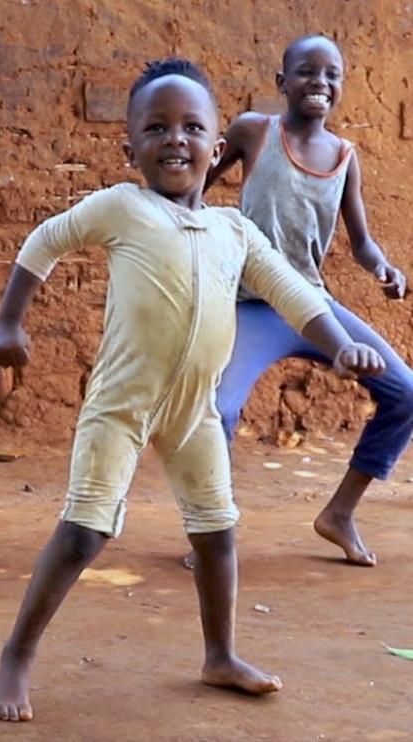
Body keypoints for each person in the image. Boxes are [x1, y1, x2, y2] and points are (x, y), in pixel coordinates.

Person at [0, 59, 385, 722]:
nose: (175, 139)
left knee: (218, 533)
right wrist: (8, 323)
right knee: (85, 533)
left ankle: (219, 655)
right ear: (130, 147)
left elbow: (292, 292)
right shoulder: (122, 206)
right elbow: (45, 241)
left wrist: (341, 346)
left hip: (193, 410)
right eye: (156, 127)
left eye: (192, 127)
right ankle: (16, 657)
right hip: (121, 406)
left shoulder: (235, 230)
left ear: (216, 149)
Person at [184, 33, 413, 568]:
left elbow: (360, 242)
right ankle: (210, 528)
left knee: (405, 392)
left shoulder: (344, 156)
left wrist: (382, 267)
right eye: (308, 72)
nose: (320, 84)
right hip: (251, 305)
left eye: (332, 76)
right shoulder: (253, 131)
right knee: (218, 410)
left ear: (342, 89)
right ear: (282, 82)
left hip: (311, 307)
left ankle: (339, 514)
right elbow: (198, 186)